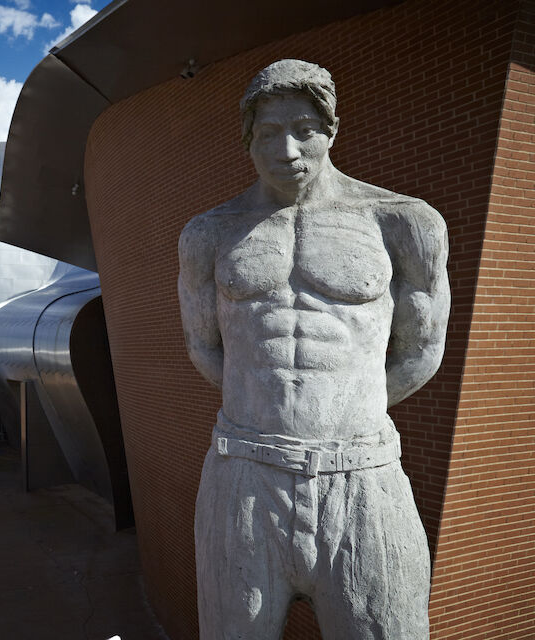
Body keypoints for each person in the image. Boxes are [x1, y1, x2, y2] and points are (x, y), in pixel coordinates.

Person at [178, 59, 450, 639]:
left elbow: (421, 353)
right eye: (269, 133)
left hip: (363, 484)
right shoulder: (210, 233)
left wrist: (342, 412)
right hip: (244, 477)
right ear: (247, 138)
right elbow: (205, 350)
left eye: (304, 129)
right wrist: (269, 405)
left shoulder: (404, 223)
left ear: (331, 131)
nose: (288, 150)